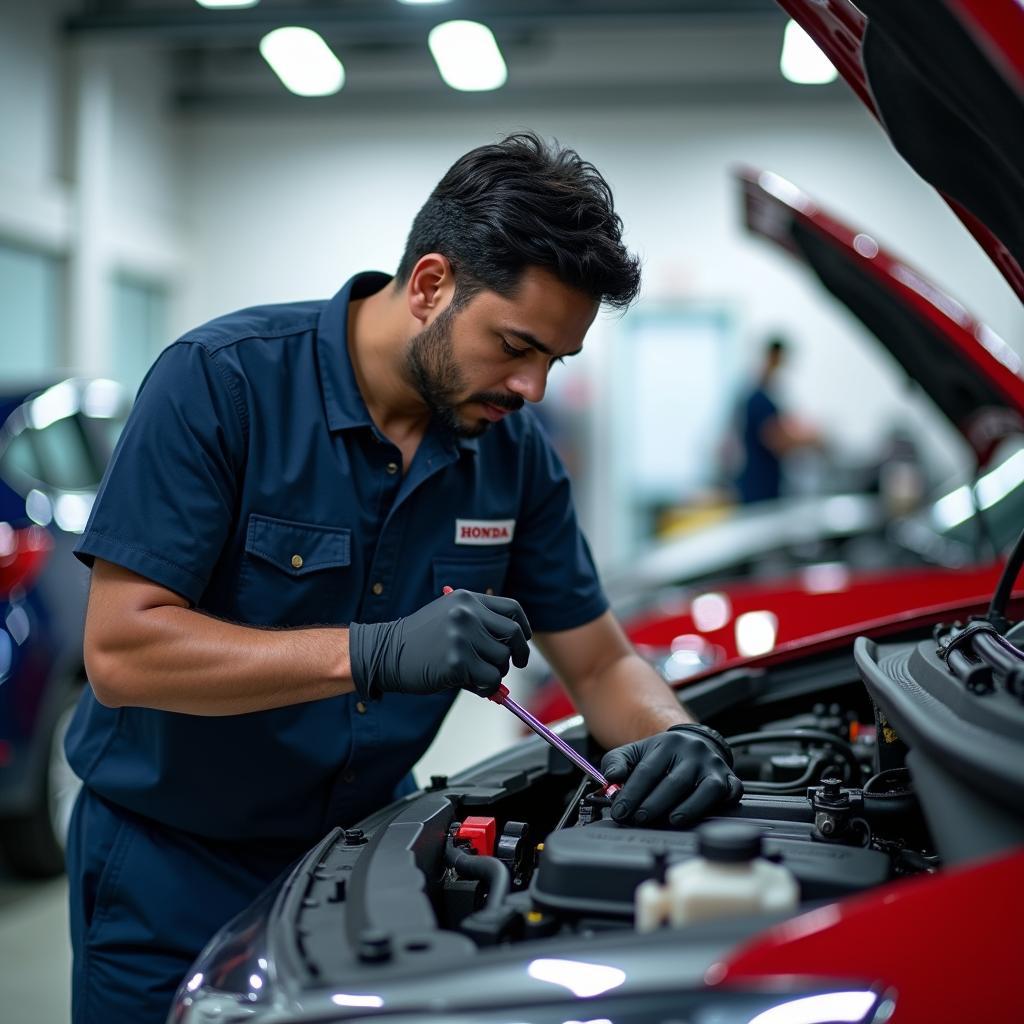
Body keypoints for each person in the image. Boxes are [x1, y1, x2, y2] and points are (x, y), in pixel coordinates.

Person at [65, 132, 742, 1024]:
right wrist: (373, 652)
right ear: (429, 286)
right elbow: (122, 649)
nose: (533, 387)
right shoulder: (222, 383)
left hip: (360, 864)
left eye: (555, 361)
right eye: (515, 345)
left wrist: (677, 736)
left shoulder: (512, 455)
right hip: (169, 871)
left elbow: (601, 663)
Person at [732, 336, 821, 503]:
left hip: (766, 482)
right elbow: (775, 439)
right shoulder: (758, 399)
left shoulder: (767, 396)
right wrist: (810, 439)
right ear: (773, 357)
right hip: (759, 486)